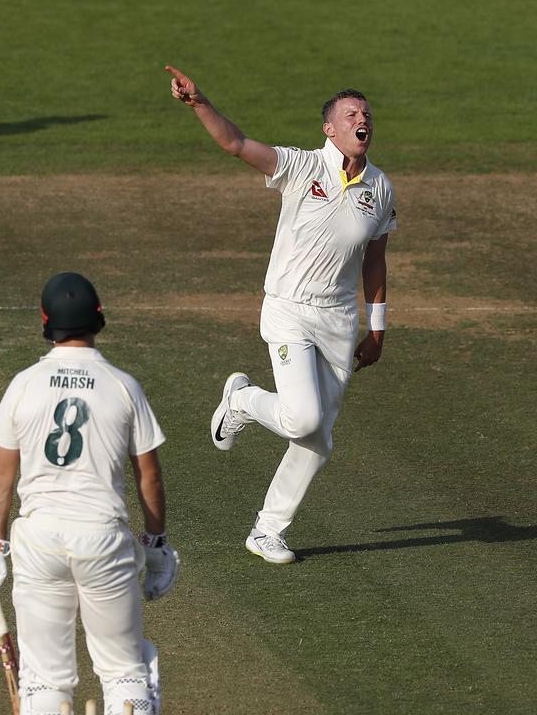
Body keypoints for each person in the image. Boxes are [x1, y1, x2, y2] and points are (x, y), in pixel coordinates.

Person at [165, 65, 397, 564]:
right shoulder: (301, 167)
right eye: (351, 114)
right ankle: (243, 399)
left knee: (317, 439)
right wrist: (199, 102)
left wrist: (376, 329)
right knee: (303, 418)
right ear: (329, 129)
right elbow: (236, 144)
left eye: (368, 114)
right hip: (289, 309)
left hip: (338, 322)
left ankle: (267, 531)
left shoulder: (380, 189)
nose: (363, 120)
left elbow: (375, 260)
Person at [0, 272, 179, 715]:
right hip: (102, 540)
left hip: (39, 541)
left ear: (46, 323)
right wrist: (155, 546)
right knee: (124, 673)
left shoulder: (24, 384)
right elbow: (149, 478)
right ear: (98, 318)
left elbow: (1, 476)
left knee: (43, 683)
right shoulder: (122, 386)